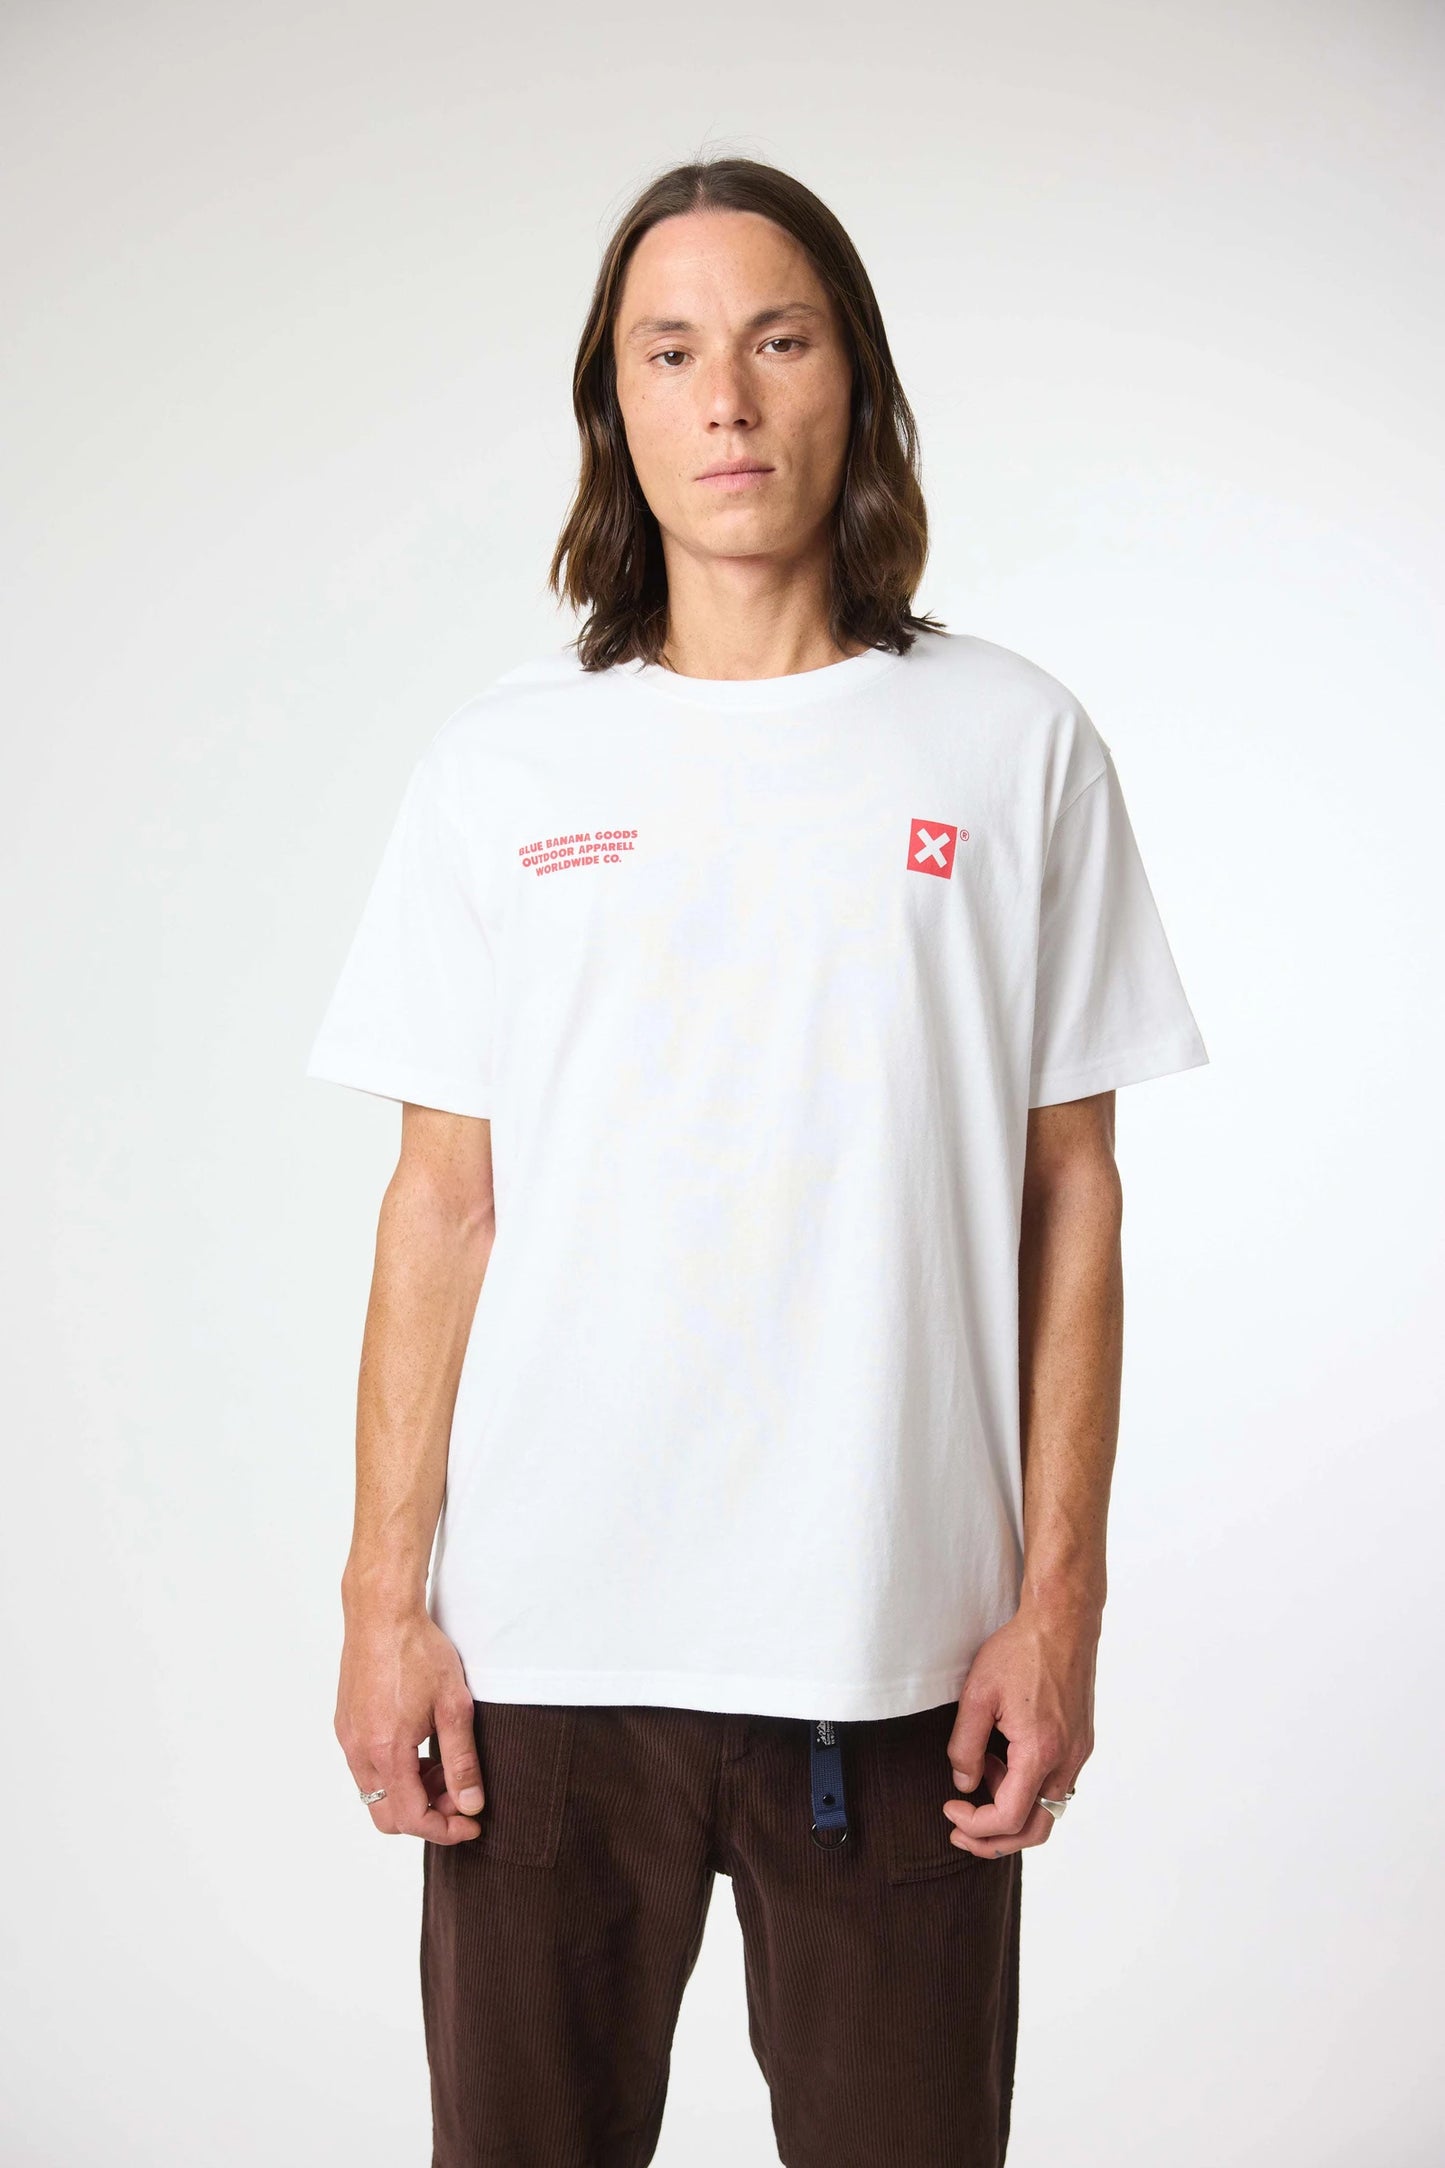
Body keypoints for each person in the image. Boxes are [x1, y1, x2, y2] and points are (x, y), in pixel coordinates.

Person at [304, 156, 1209, 2168]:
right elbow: (442, 1201)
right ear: (614, 405)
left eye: (777, 341)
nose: (725, 398)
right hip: (546, 1659)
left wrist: (1058, 1604)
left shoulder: (1011, 745)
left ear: (852, 380)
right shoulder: (503, 766)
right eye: (671, 351)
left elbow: (1072, 1195)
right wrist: (384, 1604)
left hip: (899, 1661)